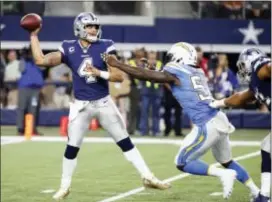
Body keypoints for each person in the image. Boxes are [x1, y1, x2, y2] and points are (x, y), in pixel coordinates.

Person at [28, 12, 170, 201]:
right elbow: (40, 60)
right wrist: (33, 35)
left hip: (104, 103)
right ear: (80, 27)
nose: (94, 29)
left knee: (125, 142)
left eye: (95, 26)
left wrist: (99, 73)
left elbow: (118, 76)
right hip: (81, 106)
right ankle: (64, 186)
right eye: (90, 26)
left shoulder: (105, 45)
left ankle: (148, 176)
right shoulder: (68, 48)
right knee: (71, 147)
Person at [100, 42, 260, 200]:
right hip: (219, 118)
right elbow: (168, 79)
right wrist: (154, 70)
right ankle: (256, 192)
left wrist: (118, 64)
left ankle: (223, 174)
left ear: (179, 56)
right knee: (227, 161)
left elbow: (148, 76)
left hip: (206, 123)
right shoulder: (197, 71)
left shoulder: (175, 70)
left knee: (182, 162)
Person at [210, 48, 271, 202]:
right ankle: (263, 196)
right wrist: (216, 103)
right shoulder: (255, 84)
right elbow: (240, 98)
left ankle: (264, 197)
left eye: (243, 65)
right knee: (266, 146)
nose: (242, 70)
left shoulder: (260, 68)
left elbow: (269, 68)